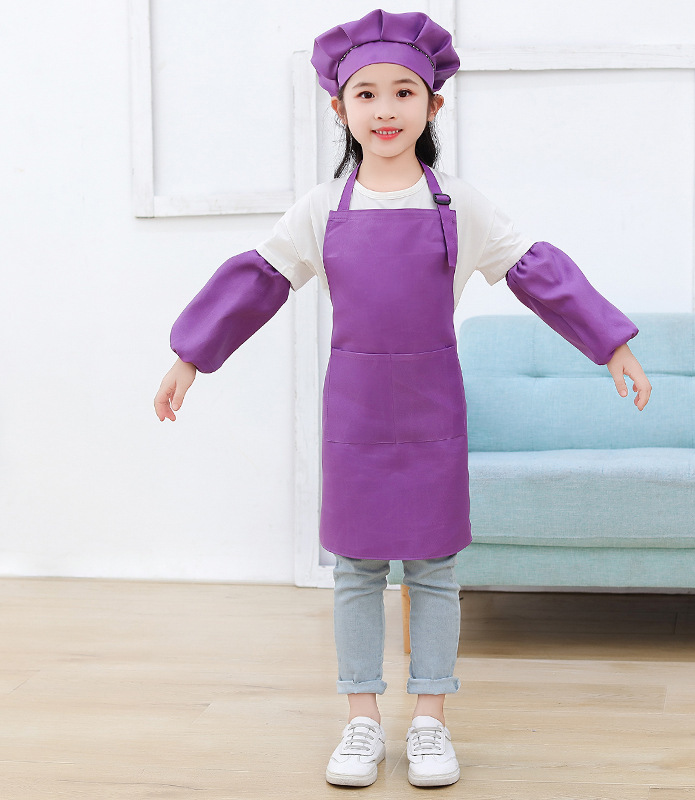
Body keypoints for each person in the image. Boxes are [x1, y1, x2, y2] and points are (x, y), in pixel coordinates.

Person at [153, 8, 652, 789]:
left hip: (431, 414)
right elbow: (260, 280)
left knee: (434, 571)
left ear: (433, 104)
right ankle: (360, 720)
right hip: (355, 414)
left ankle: (429, 721)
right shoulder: (322, 209)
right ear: (340, 107)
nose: (385, 109)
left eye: (403, 92)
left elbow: (536, 272)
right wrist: (192, 355)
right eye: (366, 94)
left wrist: (610, 341)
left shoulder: (461, 206)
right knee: (356, 570)